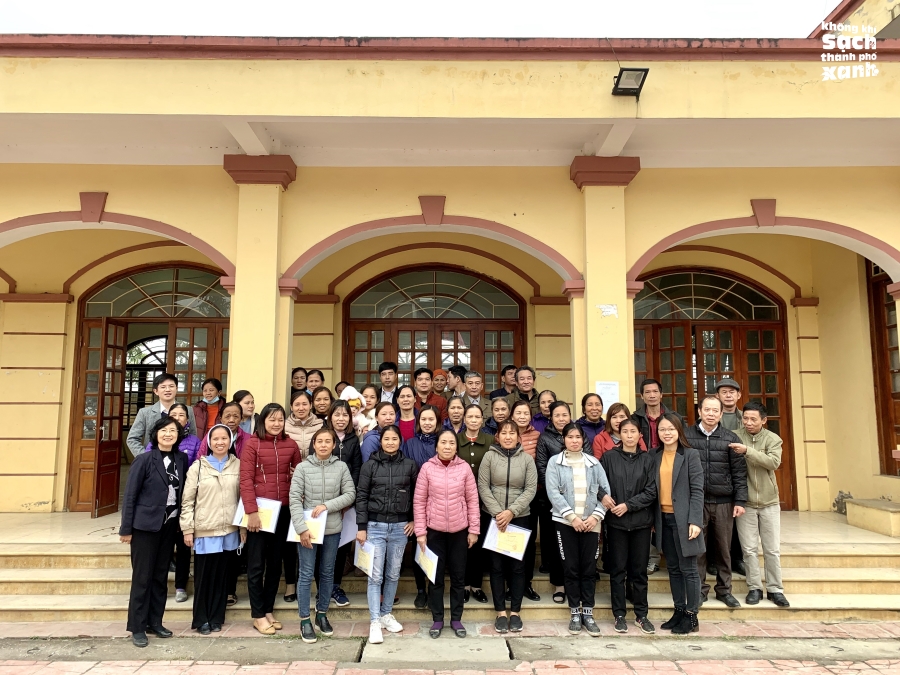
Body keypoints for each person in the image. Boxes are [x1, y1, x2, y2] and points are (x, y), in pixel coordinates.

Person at [120, 416, 189, 648]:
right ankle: (137, 627)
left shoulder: (181, 459)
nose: (168, 434)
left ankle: (155, 622)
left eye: (173, 431)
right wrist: (126, 528)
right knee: (143, 577)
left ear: (179, 435)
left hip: (169, 526)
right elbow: (130, 496)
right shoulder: (144, 459)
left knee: (160, 577)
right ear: (156, 434)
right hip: (144, 528)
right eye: (164, 430)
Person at [240, 403, 302, 635]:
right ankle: (257, 614)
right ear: (263, 421)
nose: (276, 424)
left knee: (276, 564)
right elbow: (245, 480)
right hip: (260, 511)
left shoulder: (291, 444)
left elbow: (299, 474)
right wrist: (251, 511)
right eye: (272, 419)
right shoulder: (252, 444)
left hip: (283, 511)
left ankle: (267, 610)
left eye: (280, 419)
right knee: (256, 564)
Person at [290, 427, 356, 644]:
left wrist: (327, 506)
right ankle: (304, 619)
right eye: (320, 441)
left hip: (332, 529)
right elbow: (294, 499)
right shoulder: (302, 467)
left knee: (327, 573)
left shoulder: (341, 467)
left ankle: (321, 614)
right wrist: (301, 529)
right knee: (306, 573)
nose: (324, 445)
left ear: (334, 445)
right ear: (314, 444)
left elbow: (350, 494)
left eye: (328, 441)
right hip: (308, 530)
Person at [414, 429, 481, 639]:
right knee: (435, 578)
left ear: (456, 447)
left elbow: (472, 500)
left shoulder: (464, 469)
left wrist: (474, 530)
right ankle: (437, 619)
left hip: (460, 532)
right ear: (436, 446)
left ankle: (456, 618)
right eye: (443, 442)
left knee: (459, 577)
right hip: (434, 532)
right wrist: (420, 533)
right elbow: (419, 501)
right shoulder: (427, 468)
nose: (447, 446)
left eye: (451, 443)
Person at [546, 422, 609, 637]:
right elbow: (553, 492)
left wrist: (594, 517)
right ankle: (574, 612)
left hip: (592, 524)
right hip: (566, 523)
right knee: (571, 568)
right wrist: (572, 518)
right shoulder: (555, 463)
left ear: (583, 439)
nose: (574, 440)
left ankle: (588, 613)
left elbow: (605, 492)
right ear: (563, 439)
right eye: (570, 436)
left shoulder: (593, 463)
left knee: (589, 569)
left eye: (578, 437)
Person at [356, 425, 418, 644]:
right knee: (375, 576)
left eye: (395, 439)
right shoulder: (370, 466)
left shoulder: (410, 465)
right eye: (387, 439)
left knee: (393, 574)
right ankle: (374, 621)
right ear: (380, 441)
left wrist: (413, 520)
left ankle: (386, 614)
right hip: (375, 526)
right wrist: (361, 526)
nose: (391, 442)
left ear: (400, 441)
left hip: (400, 528)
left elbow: (416, 496)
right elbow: (361, 497)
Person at [180, 423, 245, 634]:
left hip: (229, 531)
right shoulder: (198, 467)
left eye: (224, 438)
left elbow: (243, 499)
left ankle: (217, 618)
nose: (220, 442)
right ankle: (201, 619)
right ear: (209, 442)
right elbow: (187, 501)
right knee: (204, 577)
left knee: (223, 578)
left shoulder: (238, 465)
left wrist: (242, 528)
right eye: (215, 439)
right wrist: (187, 529)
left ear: (230, 441)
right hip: (205, 531)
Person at [684, 396, 747, 608]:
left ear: (721, 414)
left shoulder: (730, 438)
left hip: (723, 502)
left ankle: (724, 590)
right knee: (698, 548)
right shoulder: (687, 437)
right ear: (699, 412)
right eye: (707, 410)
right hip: (697, 502)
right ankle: (699, 590)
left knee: (723, 548)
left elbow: (739, 473)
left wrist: (739, 500)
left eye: (715, 411)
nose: (711, 414)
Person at [599, 417, 658, 634]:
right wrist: (604, 497)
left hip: (641, 523)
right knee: (617, 571)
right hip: (616, 524)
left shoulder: (648, 459)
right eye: (626, 432)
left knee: (639, 571)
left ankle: (642, 614)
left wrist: (628, 505)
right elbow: (597, 483)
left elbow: (652, 491)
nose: (630, 435)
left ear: (640, 435)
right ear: (619, 434)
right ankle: (619, 614)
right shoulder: (608, 457)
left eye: (634, 431)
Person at [478, 419, 537, 634]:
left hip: (519, 518)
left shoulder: (527, 460)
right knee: (496, 567)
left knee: (517, 567)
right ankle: (500, 612)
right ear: (498, 436)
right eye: (504, 433)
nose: (509, 436)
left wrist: (511, 511)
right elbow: (483, 486)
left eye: (513, 433)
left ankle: (516, 612)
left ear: (519, 437)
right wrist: (498, 513)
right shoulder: (489, 456)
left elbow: (530, 489)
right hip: (494, 519)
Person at [731, 402, 790, 608]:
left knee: (771, 549)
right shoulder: (735, 436)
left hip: (769, 502)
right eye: (745, 418)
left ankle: (775, 589)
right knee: (748, 549)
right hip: (744, 503)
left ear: (764, 420)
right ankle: (754, 588)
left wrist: (747, 451)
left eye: (753, 419)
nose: (748, 422)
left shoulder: (773, 439)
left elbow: (773, 462)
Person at [654, 412, 705, 635]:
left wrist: (695, 520)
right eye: (662, 429)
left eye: (671, 429)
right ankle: (679, 610)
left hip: (684, 520)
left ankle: (692, 616)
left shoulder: (690, 455)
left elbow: (697, 490)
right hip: (663, 519)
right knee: (673, 569)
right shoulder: (654, 455)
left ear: (679, 431)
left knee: (689, 569)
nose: (667, 433)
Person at [141, 402, 196, 604]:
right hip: (155, 510)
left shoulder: (190, 446)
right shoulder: (151, 450)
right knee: (158, 556)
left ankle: (180, 585)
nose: (177, 418)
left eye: (181, 416)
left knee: (183, 547)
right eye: (173, 415)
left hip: (182, 504)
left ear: (186, 421)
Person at [314, 400, 363, 608]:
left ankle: (335, 586)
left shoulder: (353, 440)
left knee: (340, 547)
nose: (341, 419)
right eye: (337, 415)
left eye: (345, 415)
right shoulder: (321, 437)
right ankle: (320, 589)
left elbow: (357, 470)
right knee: (321, 546)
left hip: (345, 503)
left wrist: (346, 499)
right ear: (330, 417)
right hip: (321, 502)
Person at [535, 400, 582, 603]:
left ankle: (578, 585)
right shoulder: (544, 438)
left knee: (577, 546)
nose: (561, 418)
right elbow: (542, 468)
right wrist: (559, 492)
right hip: (552, 500)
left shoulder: (578, 434)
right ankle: (559, 585)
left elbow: (587, 462)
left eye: (565, 414)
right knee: (556, 546)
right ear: (551, 418)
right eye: (557, 415)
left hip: (579, 499)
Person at [401, 405, 441, 608]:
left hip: (440, 504)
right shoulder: (409, 444)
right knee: (420, 547)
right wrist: (413, 516)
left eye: (431, 419)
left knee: (437, 550)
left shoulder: (443, 442)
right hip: (415, 503)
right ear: (418, 422)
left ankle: (435, 589)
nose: (427, 423)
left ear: (437, 422)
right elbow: (406, 478)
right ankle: (420, 590)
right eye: (423, 419)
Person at [457, 404, 493, 603]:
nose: (473, 420)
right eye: (469, 416)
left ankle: (477, 585)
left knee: (479, 546)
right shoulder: (456, 440)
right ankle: (463, 585)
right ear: (464, 419)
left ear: (482, 420)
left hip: (484, 501)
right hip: (459, 502)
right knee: (462, 546)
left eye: (477, 416)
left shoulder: (490, 440)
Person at [510, 399, 542, 602]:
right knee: (510, 542)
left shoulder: (538, 435)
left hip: (531, 495)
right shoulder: (504, 434)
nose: (522, 416)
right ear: (512, 416)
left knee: (528, 543)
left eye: (526, 413)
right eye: (518, 413)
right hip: (508, 498)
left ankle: (526, 583)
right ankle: (510, 585)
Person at [714, 377, 746, 577]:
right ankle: (714, 560)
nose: (728, 395)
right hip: (718, 475)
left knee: (738, 522)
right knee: (717, 523)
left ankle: (738, 558)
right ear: (717, 396)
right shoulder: (711, 417)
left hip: (740, 473)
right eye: (724, 392)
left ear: (738, 395)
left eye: (732, 392)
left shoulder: (747, 417)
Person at [126, 372, 197, 458]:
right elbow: (132, 439)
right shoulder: (144, 413)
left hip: (181, 460)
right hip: (153, 462)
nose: (167, 390)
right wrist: (146, 457)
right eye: (163, 387)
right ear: (156, 391)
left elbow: (193, 435)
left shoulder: (188, 410)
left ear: (176, 389)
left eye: (171, 386)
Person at [633, 379, 678, 451]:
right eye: (647, 392)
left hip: (668, 457)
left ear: (661, 394)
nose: (652, 395)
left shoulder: (675, 417)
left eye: (655, 391)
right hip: (643, 459)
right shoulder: (635, 418)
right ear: (642, 396)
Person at [285, 390, 322, 460]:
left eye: (304, 404)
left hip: (316, 468)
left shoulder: (321, 425)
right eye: (297, 405)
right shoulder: (284, 427)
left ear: (311, 405)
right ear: (291, 407)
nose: (301, 408)